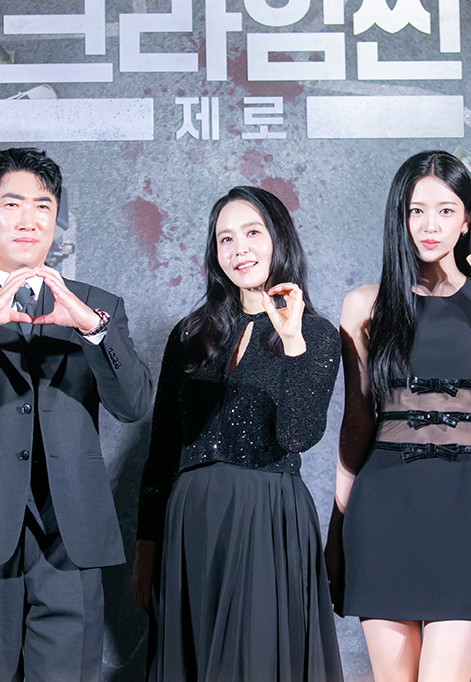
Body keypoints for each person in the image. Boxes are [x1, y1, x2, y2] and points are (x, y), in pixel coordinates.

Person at [0, 147, 153, 682]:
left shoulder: (97, 306)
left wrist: (93, 330)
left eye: (43, 206)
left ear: (56, 218)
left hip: (70, 541)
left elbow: (134, 405)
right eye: (11, 204)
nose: (28, 219)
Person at [328, 150, 471, 682]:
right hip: (384, 508)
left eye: (445, 211)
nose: (429, 225)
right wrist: (338, 525)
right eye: (416, 211)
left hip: (467, 508)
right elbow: (356, 423)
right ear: (400, 217)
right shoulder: (365, 305)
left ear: (467, 220)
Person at [133, 186, 343, 682]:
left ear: (279, 239)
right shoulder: (190, 335)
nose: (239, 248)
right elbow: (162, 446)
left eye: (252, 232)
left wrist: (291, 342)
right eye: (225, 238)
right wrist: (146, 545)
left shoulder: (316, 334)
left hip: (266, 521)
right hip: (190, 522)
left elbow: (298, 434)